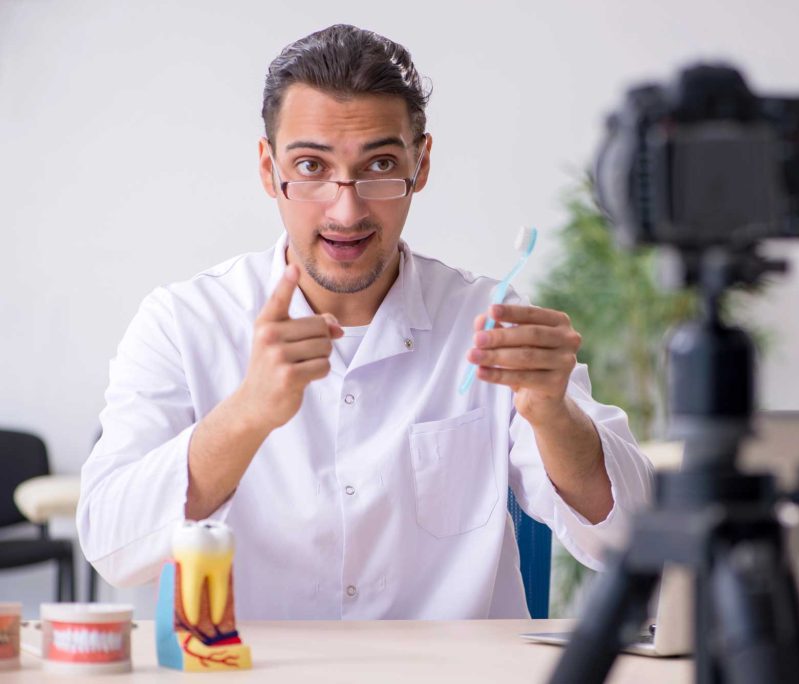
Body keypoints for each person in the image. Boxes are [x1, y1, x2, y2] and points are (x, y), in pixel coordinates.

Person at [77, 24, 653, 619]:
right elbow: (111, 544)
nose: (346, 209)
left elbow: (628, 537)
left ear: (421, 163)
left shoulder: (486, 321)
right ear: (267, 168)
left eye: (379, 163)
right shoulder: (183, 323)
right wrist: (246, 414)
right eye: (311, 166)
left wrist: (553, 414)